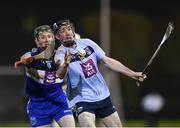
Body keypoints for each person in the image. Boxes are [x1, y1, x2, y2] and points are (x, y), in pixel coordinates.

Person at [53, 19, 146, 127]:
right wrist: (66, 64)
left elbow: (108, 61)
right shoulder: (60, 54)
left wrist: (133, 74)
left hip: (102, 95)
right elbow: (59, 74)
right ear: (57, 37)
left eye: (69, 29)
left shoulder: (87, 43)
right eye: (63, 31)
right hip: (81, 99)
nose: (67, 32)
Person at [19, 25, 75, 127]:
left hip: (58, 102)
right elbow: (24, 57)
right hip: (38, 105)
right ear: (36, 40)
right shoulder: (32, 54)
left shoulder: (59, 55)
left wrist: (66, 65)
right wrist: (27, 58)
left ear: (53, 38)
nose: (46, 40)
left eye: (49, 36)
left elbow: (61, 75)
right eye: (42, 37)